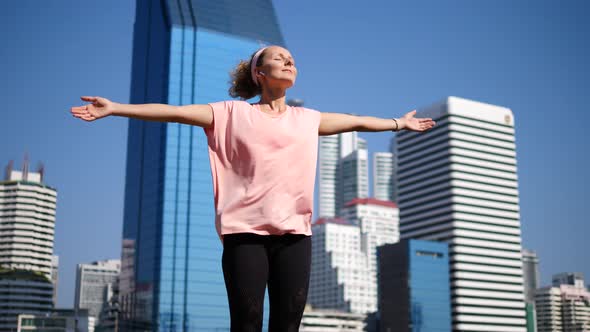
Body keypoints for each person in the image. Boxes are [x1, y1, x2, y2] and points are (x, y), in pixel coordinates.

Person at [70, 45, 435, 332]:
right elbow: (174, 111)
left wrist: (397, 124)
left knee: (288, 324)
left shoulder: (308, 119)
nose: (289, 61)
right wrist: (116, 108)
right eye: (279, 58)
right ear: (260, 73)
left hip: (295, 235)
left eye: (291, 58)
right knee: (246, 322)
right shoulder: (229, 113)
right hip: (245, 235)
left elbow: (356, 121)